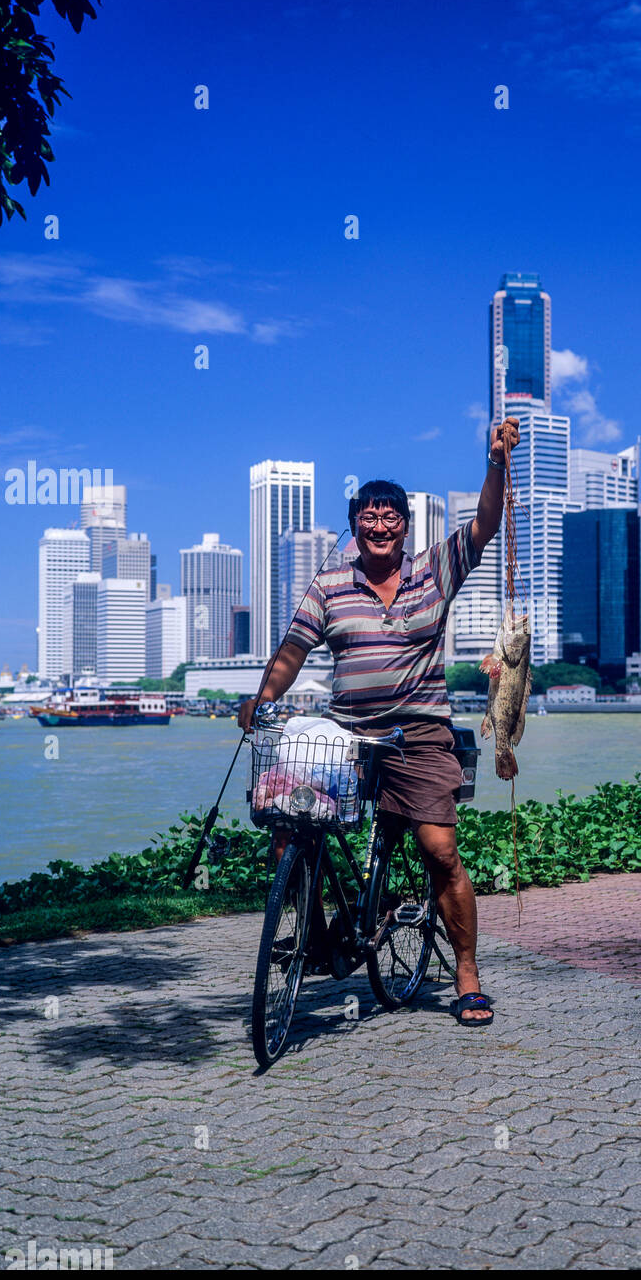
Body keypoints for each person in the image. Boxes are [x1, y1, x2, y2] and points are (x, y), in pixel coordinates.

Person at [238, 417, 521, 1026]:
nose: (380, 523)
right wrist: (261, 697)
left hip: (419, 732)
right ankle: (312, 936)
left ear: (405, 527)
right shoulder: (330, 584)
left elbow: (486, 525)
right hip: (346, 733)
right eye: (369, 514)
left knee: (439, 849)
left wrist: (495, 462)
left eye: (391, 515)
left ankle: (467, 975)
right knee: (289, 822)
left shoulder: (435, 570)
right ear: (354, 525)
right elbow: (293, 650)